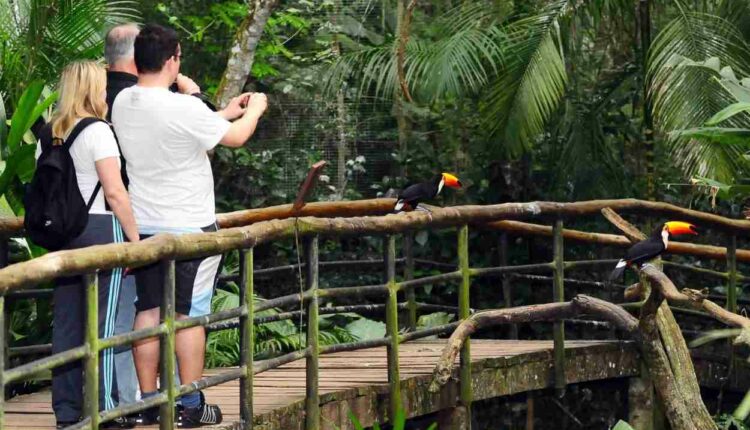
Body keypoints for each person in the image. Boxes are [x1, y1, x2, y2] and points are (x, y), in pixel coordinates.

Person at [111, 23, 267, 427]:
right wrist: (253, 111)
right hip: (191, 230)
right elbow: (234, 139)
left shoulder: (124, 102)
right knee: (188, 314)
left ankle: (147, 401)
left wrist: (222, 112)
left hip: (144, 227)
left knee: (147, 311)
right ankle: (191, 404)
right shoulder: (183, 106)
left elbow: (181, 128)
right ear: (171, 61)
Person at [41, 61, 139, 429]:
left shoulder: (51, 132)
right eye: (101, 87)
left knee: (66, 324)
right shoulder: (99, 131)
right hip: (100, 229)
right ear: (91, 89)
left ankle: (66, 412)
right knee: (106, 323)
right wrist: (134, 240)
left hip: (64, 235)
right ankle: (105, 409)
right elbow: (115, 191)